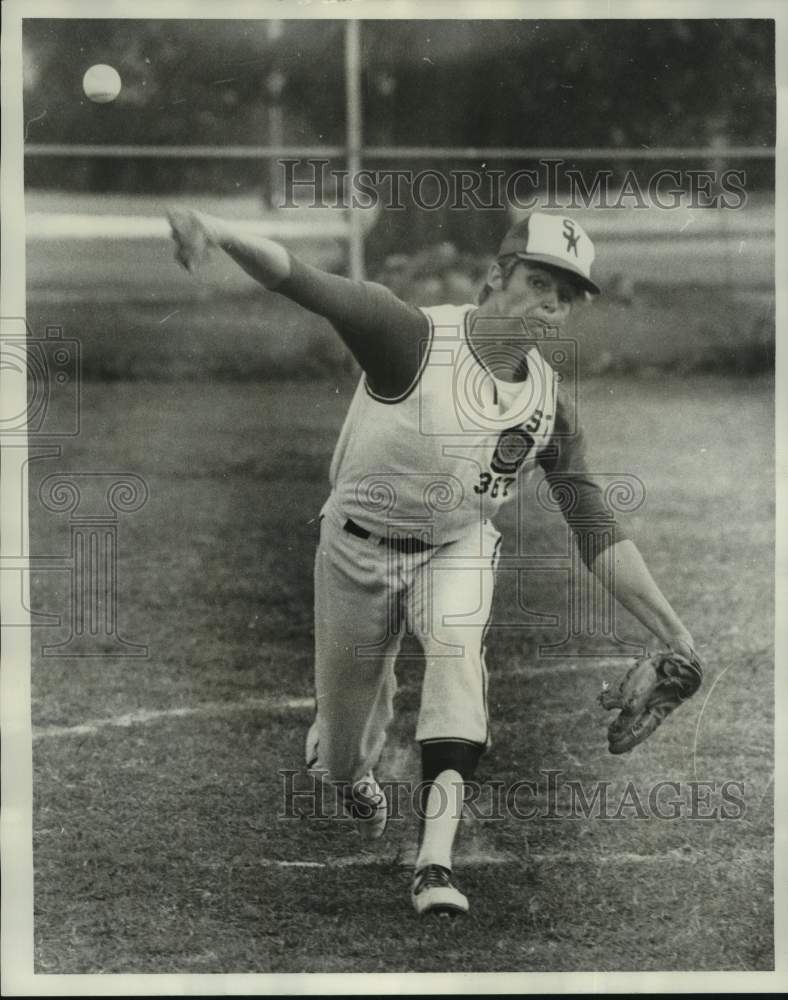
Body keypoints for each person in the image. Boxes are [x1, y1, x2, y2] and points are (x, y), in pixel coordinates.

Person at [168, 207, 698, 917]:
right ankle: (342, 758)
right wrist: (220, 231)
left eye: (567, 296)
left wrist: (674, 632)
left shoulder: (548, 406)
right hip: (355, 548)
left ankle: (435, 862)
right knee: (344, 757)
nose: (552, 305)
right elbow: (300, 280)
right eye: (540, 283)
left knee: (457, 654)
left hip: (457, 545)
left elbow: (595, 524)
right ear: (495, 278)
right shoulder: (407, 337)